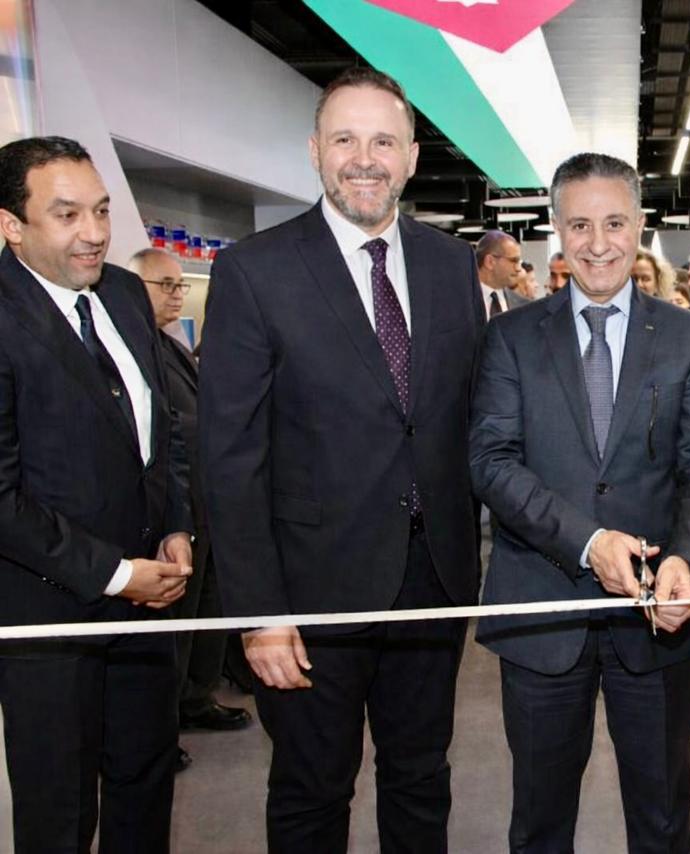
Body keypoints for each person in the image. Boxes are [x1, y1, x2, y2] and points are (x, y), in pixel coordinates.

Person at [199, 67, 484, 853]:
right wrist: (260, 613)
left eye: (384, 141)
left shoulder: (450, 264)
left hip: (433, 580)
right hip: (309, 592)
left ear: (412, 158)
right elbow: (230, 457)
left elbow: (467, 418)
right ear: (315, 150)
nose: (365, 159)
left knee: (421, 779)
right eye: (346, 139)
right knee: (312, 790)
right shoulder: (254, 270)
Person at [470, 151, 690, 853]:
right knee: (540, 822)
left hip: (660, 613)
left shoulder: (689, 338)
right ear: (556, 229)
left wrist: (685, 560)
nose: (598, 243)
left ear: (639, 224)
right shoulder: (510, 338)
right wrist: (588, 542)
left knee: (663, 819)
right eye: (579, 225)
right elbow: (491, 461)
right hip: (541, 611)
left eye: (614, 222)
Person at [0, 136, 193, 853]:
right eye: (67, 214)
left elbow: (162, 431)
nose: (94, 232)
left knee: (146, 789)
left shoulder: (122, 293)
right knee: (60, 812)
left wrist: (176, 524)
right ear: (11, 225)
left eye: (103, 211)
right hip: (49, 622)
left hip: (148, 612)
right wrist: (115, 575)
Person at [130, 248, 252, 770]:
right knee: (177, 620)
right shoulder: (133, 347)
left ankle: (196, 698)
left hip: (208, 499)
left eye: (180, 285)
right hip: (175, 507)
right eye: (166, 285)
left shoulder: (173, 344)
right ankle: (163, 723)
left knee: (209, 606)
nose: (178, 295)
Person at [476, 229, 530, 319]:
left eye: (519, 262)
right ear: (490, 262)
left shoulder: (524, 306)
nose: (518, 268)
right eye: (513, 261)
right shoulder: (459, 302)